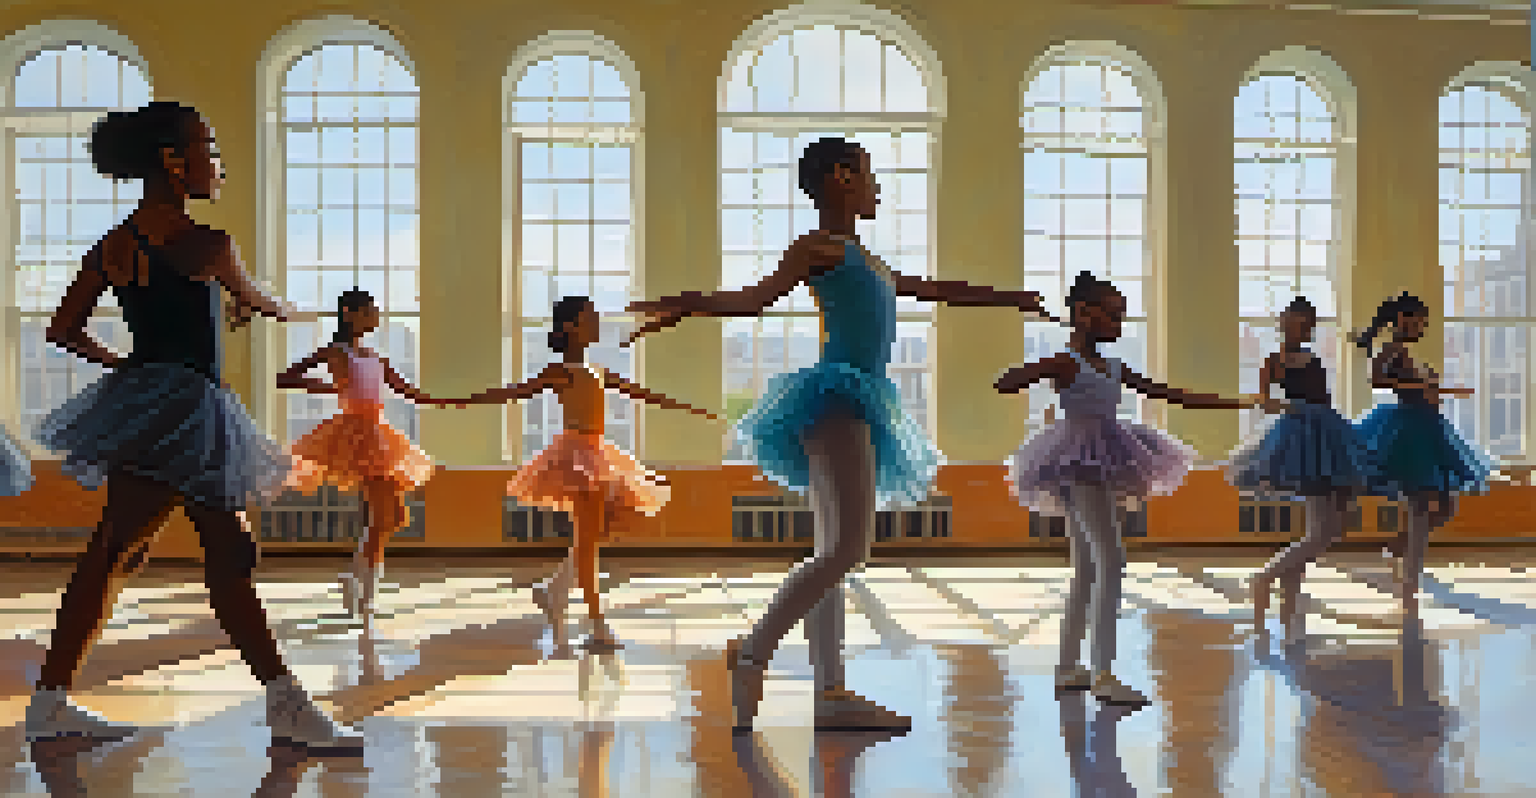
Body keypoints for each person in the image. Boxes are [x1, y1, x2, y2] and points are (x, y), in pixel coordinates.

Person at [624, 137, 1055, 732]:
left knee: (832, 551)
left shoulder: (865, 258)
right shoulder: (818, 248)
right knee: (848, 549)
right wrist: (687, 305)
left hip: (856, 400)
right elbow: (753, 299)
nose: (878, 188)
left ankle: (830, 692)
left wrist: (1010, 298)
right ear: (840, 177)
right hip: (837, 398)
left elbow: (933, 290)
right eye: (870, 176)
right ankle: (753, 653)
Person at [24, 102, 361, 751]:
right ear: (173, 163)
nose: (218, 166)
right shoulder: (208, 245)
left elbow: (63, 331)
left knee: (130, 551)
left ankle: (50, 702)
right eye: (208, 148)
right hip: (188, 412)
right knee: (205, 555)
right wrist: (288, 308)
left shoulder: (116, 244)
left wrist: (132, 368)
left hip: (155, 402)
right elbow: (259, 298)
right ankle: (286, 705)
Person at [996, 271, 1269, 706]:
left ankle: (1069, 667)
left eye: (1122, 317)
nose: (1120, 325)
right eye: (1113, 315)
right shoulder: (1068, 362)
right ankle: (1103, 673)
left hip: (1104, 454)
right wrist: (1042, 368)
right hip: (1075, 458)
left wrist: (1240, 403)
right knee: (1112, 559)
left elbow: (1170, 394)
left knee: (1088, 565)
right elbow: (1006, 382)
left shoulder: (1114, 367)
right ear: (1084, 315)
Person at [439, 296, 720, 652]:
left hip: (598, 451)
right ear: (571, 326)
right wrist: (457, 401)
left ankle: (555, 590)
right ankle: (595, 622)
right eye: (590, 317)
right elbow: (514, 392)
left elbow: (639, 392)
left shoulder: (597, 370)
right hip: (575, 456)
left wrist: (687, 406)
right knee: (588, 538)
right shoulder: (560, 371)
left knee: (605, 526)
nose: (598, 321)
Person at [277, 288, 436, 618]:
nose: (375, 318)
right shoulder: (337, 352)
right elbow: (287, 377)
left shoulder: (375, 356)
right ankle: (364, 592)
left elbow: (409, 392)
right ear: (349, 313)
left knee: (393, 517)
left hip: (378, 432)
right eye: (370, 311)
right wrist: (329, 387)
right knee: (385, 516)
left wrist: (452, 402)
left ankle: (355, 579)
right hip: (356, 433)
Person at [1225, 296, 1374, 640]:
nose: (1303, 329)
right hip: (1301, 435)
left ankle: (1288, 607)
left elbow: (1324, 396)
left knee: (1325, 531)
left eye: (1308, 324)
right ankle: (1264, 578)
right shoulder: (1274, 359)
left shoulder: (1314, 356)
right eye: (1297, 323)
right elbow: (1263, 401)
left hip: (1328, 431)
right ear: (1283, 323)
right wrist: (1279, 404)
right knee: (1321, 532)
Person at [1352, 292, 1493, 619]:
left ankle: (1399, 548)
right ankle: (1409, 586)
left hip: (1428, 428)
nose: (1420, 326)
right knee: (1420, 507)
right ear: (1401, 320)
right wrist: (1418, 386)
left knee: (1446, 505)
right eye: (1416, 319)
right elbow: (1376, 379)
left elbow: (1416, 385)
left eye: (1423, 321)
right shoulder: (1392, 349)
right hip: (1407, 431)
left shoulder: (1406, 351)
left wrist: (1429, 386)